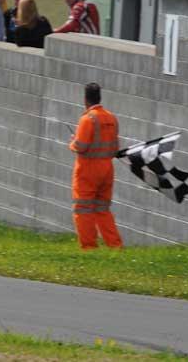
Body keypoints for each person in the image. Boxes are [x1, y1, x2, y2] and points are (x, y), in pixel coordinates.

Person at [69, 83, 123, 250]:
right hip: (107, 169)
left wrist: (72, 143)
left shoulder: (87, 119)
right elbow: (115, 148)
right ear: (99, 97)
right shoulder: (111, 118)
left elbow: (81, 146)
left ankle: (89, 247)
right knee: (102, 208)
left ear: (85, 99)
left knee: (83, 208)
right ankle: (115, 245)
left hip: (88, 170)